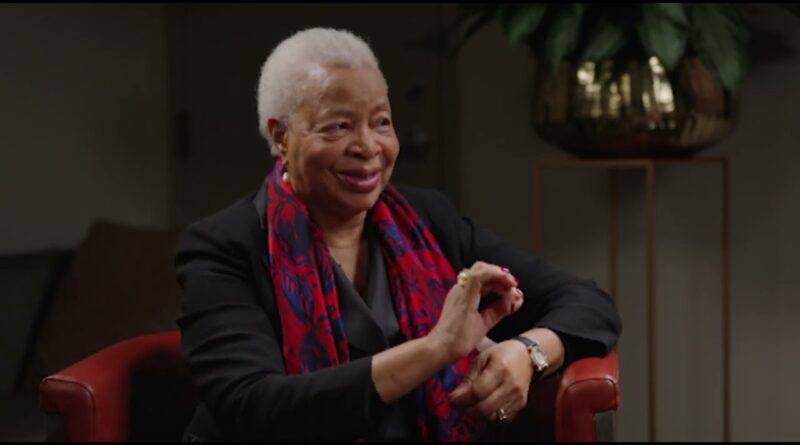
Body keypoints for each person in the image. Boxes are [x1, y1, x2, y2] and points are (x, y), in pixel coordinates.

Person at [175, 27, 621, 442]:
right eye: (338, 126)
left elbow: (588, 303)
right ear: (281, 137)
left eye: (381, 122)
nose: (368, 146)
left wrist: (527, 352)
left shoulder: (425, 218)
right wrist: (435, 349)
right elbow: (255, 406)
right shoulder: (224, 246)